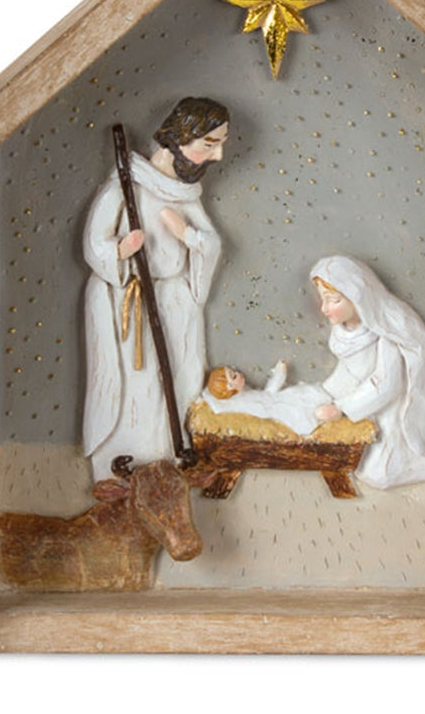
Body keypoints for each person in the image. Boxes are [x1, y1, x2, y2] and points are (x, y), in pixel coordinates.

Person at [81, 98, 229, 482]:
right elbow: (94, 243)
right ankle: (121, 467)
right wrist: (120, 251)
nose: (217, 156)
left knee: (176, 377)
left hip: (174, 302)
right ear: (180, 138)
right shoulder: (126, 185)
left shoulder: (185, 194)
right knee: (137, 383)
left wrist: (188, 235)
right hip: (128, 301)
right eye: (210, 144)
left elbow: (211, 243)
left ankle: (168, 460)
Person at [309, 255, 425, 489]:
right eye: (323, 299)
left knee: (379, 474)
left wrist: (342, 407)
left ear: (357, 296)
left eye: (334, 300)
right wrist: (324, 394)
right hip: (365, 405)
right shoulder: (344, 331)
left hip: (393, 410)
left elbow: (386, 385)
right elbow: (348, 372)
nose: (324, 308)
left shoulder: (387, 331)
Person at [202, 362, 331, 437]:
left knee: (312, 397)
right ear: (230, 387)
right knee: (311, 404)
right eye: (234, 376)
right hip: (286, 408)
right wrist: (280, 374)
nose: (239, 374)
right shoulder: (247, 401)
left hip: (282, 402)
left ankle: (328, 405)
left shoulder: (243, 395)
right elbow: (269, 395)